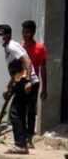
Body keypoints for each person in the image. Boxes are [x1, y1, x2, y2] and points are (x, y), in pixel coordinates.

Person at [0, 24, 38, 155]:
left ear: (7, 35)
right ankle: (22, 143)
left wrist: (28, 81)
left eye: (0, 34)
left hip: (28, 82)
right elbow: (17, 72)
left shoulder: (12, 46)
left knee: (15, 113)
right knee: (18, 113)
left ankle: (20, 145)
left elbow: (27, 61)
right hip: (22, 82)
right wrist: (8, 87)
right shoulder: (8, 49)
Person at [21, 20, 48, 149]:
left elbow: (43, 68)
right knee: (20, 109)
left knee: (31, 111)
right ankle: (21, 136)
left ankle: (29, 138)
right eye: (23, 32)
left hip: (34, 82)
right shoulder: (20, 47)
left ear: (32, 32)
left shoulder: (40, 48)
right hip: (22, 82)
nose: (24, 35)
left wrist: (45, 87)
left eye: (26, 32)